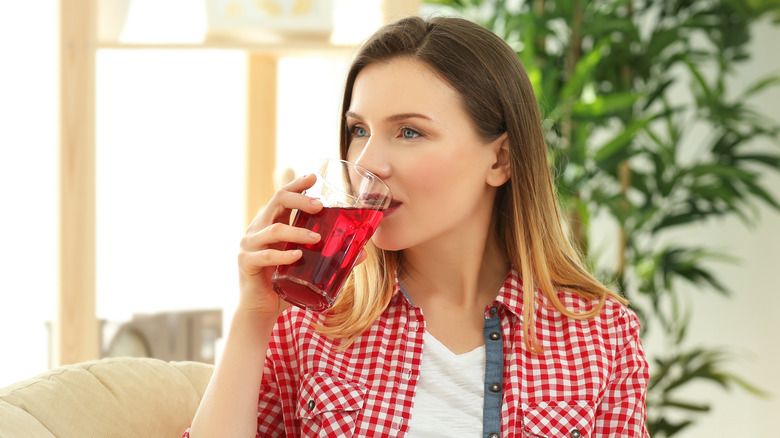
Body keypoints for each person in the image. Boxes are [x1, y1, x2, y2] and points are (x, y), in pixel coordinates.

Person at [185, 15, 649, 438]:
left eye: (409, 132)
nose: (368, 163)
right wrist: (253, 314)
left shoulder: (602, 336)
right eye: (359, 130)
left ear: (500, 159)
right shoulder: (310, 322)